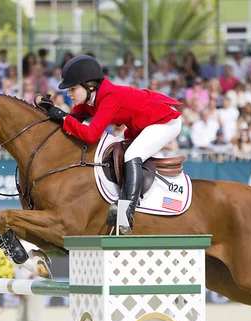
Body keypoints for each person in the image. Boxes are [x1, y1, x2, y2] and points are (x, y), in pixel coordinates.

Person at [43, 55, 183, 233]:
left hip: (164, 121)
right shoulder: (89, 99)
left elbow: (91, 135)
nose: (69, 94)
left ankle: (127, 213)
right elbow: (71, 121)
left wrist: (62, 116)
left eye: (73, 89)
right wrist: (48, 109)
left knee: (132, 154)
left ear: (89, 86)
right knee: (116, 148)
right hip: (140, 124)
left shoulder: (109, 97)